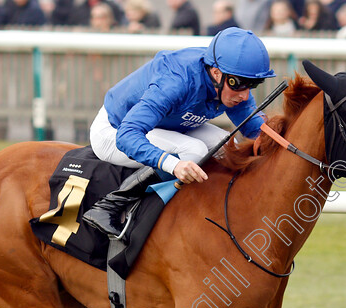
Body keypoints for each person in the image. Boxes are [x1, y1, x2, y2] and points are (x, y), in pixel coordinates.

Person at [82, 28, 276, 237]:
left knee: (227, 145)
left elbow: (255, 130)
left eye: (253, 85)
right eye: (238, 84)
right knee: (194, 149)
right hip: (114, 130)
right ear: (216, 73)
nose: (245, 95)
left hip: (165, 125)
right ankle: (109, 206)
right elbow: (128, 135)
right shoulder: (176, 80)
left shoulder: (229, 78)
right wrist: (173, 164)